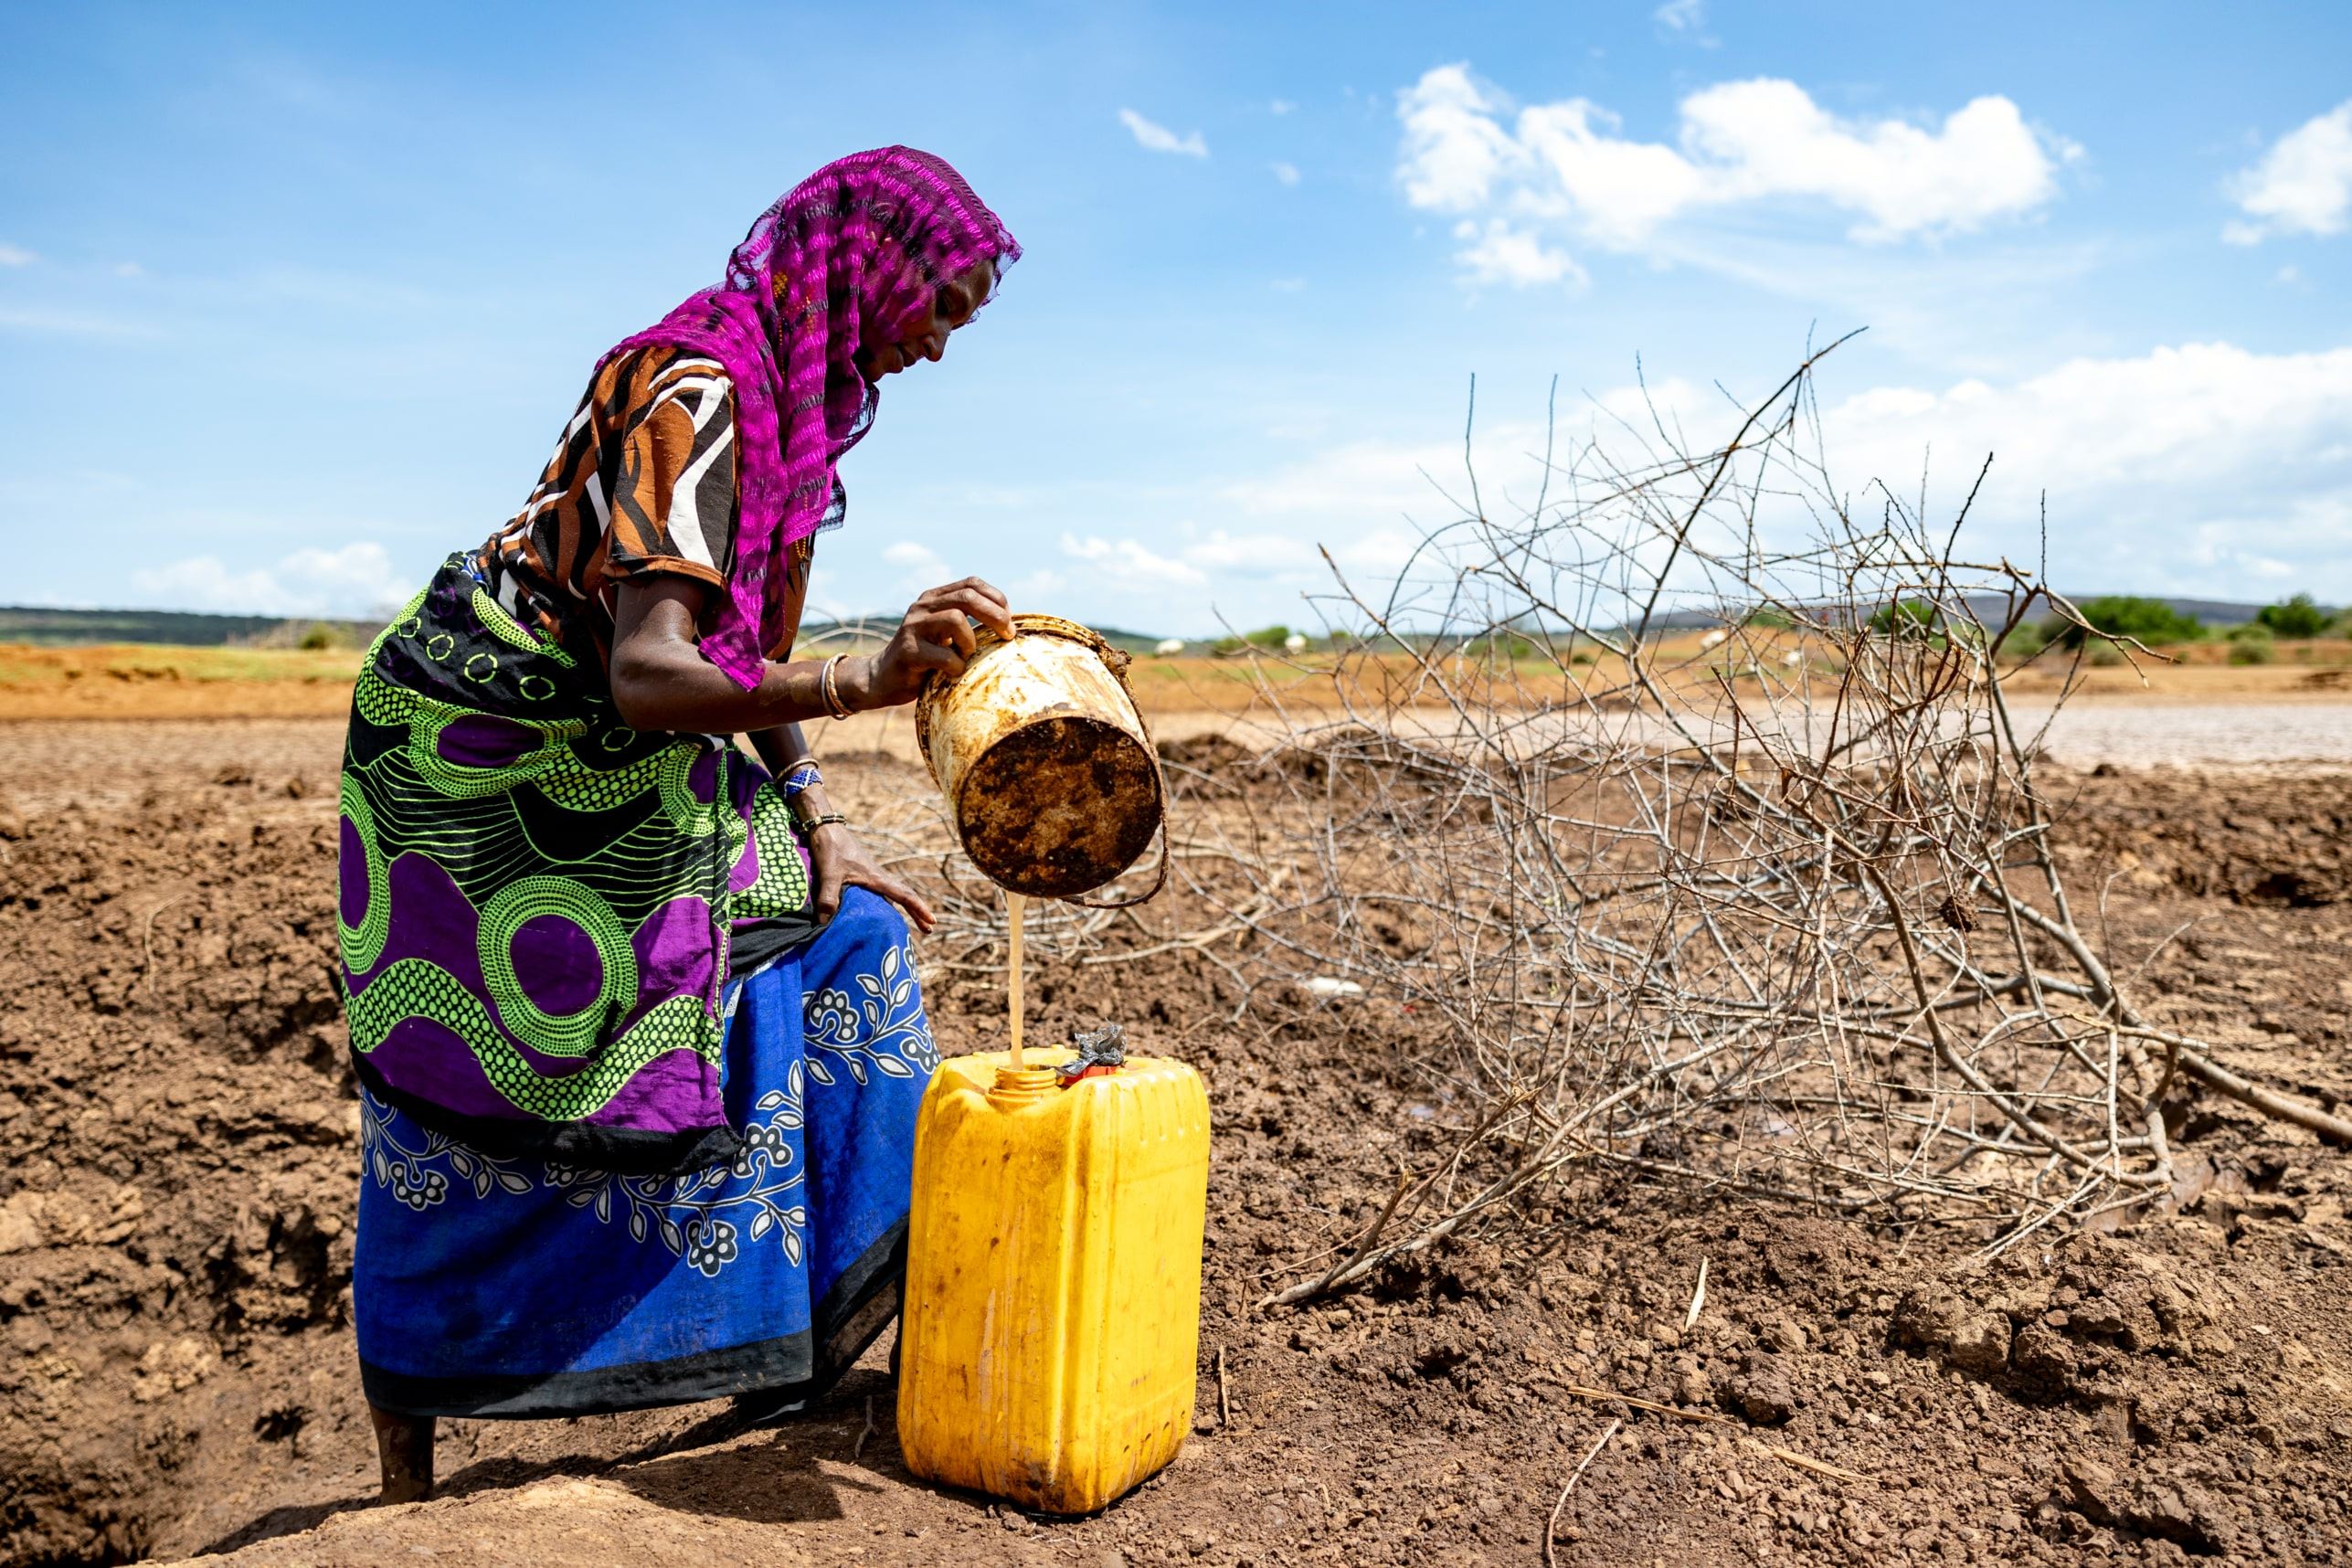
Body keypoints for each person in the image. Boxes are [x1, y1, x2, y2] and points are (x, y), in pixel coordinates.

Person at [335, 148, 1020, 1503]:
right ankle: (401, 1460)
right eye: (937, 306)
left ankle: (792, 1349)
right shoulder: (697, 387)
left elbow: (734, 638)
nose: (939, 347)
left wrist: (811, 807)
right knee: (471, 1071)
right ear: (867, 264)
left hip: (615, 748)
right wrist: (865, 681)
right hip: (486, 762)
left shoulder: (793, 411)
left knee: (842, 933)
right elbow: (651, 670)